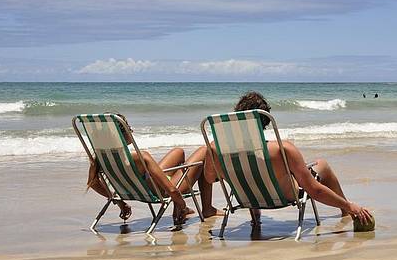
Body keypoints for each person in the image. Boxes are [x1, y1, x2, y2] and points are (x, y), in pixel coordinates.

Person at [192, 92, 373, 225]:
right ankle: (345, 212)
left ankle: (256, 221)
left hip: (247, 198)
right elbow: (314, 190)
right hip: (284, 196)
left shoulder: (216, 149)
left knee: (251, 175)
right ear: (266, 121)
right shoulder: (281, 149)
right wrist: (351, 205)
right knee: (321, 165)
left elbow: (208, 178)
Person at [86, 113, 221, 225]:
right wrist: (182, 206)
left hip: (148, 185)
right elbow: (172, 190)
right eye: (128, 128)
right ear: (121, 135)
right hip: (162, 191)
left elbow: (93, 183)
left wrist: (119, 201)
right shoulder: (141, 157)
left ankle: (207, 207)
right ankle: (207, 209)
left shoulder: (100, 159)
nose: (131, 131)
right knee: (205, 152)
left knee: (178, 151)